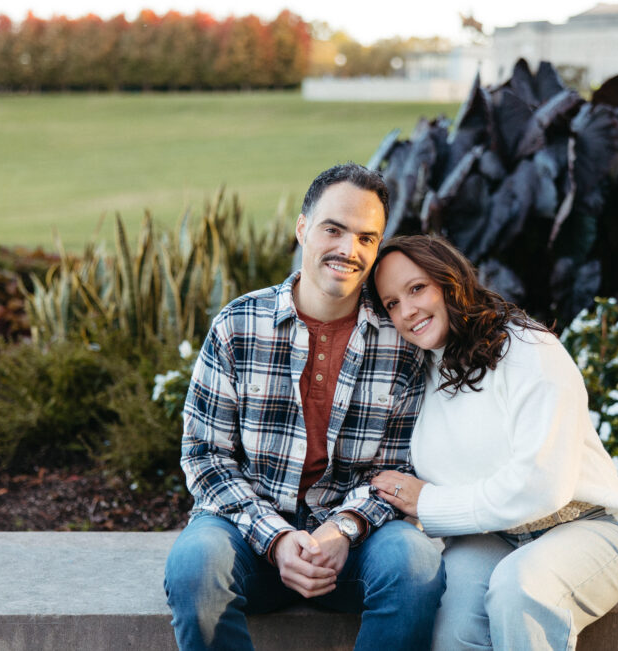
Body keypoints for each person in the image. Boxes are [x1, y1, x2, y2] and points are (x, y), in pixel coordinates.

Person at [164, 164, 445, 651]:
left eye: (365, 237)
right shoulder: (238, 325)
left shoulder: (401, 343)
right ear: (302, 229)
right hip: (245, 536)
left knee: (415, 564)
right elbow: (205, 455)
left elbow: (399, 468)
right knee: (195, 567)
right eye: (333, 229)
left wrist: (342, 529)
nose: (348, 250)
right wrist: (275, 537)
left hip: (356, 548)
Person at [369, 235, 618, 650]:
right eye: (391, 303)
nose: (407, 311)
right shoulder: (415, 371)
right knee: (452, 627)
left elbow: (542, 485)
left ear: (450, 282)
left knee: (520, 589)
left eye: (417, 288)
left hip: (589, 524)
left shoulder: (528, 349)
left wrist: (428, 504)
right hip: (493, 536)